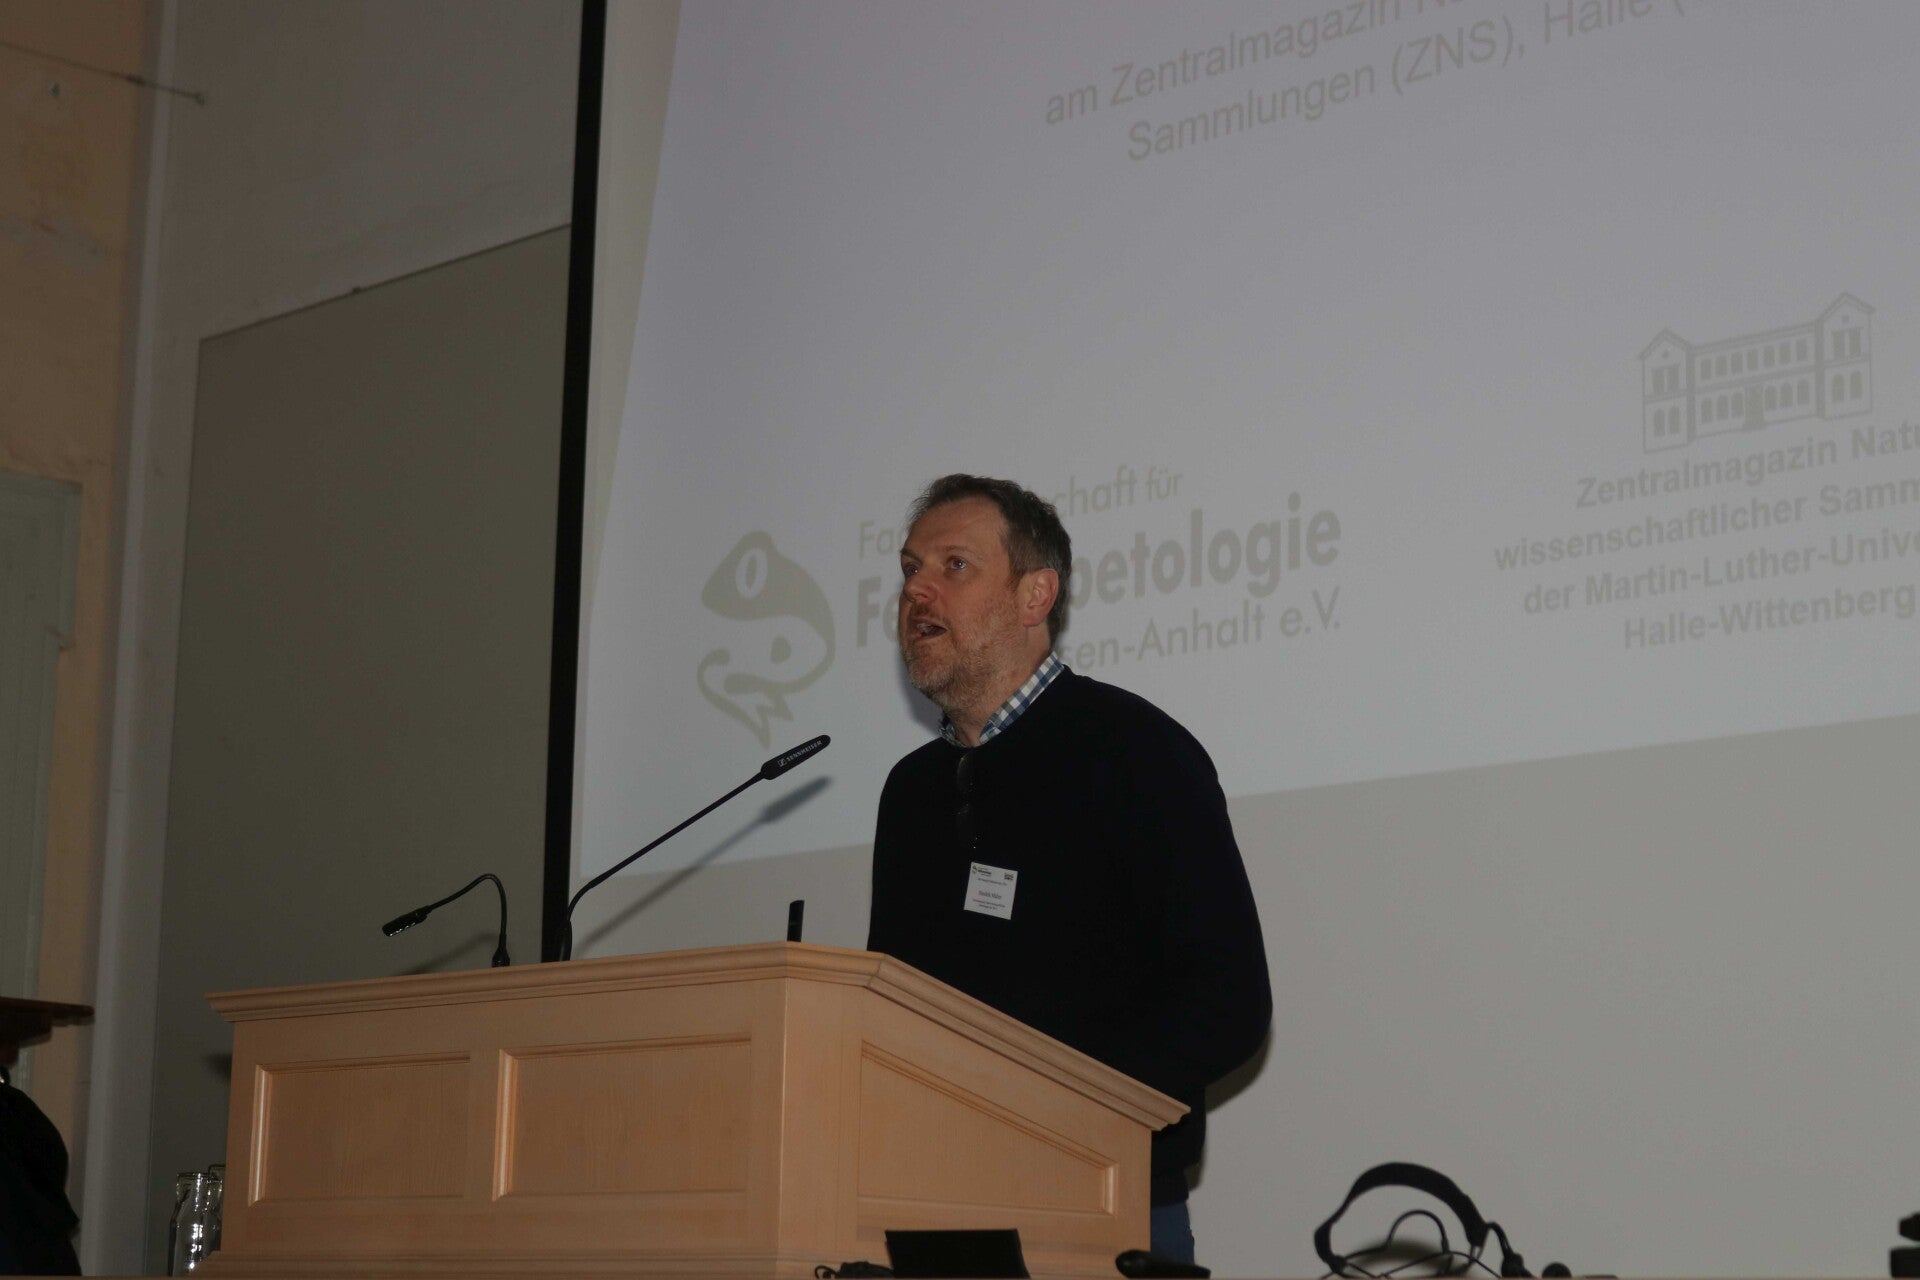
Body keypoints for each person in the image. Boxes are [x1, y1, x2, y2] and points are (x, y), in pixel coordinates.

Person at [866, 474, 1271, 1264]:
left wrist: (1055, 1106)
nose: (916, 591)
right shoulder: (911, 792)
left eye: (953, 566)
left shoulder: (1136, 752)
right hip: (931, 1205)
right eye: (911, 569)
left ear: (1035, 595)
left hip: (1098, 1205)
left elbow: (1227, 999)